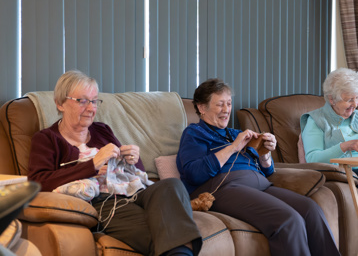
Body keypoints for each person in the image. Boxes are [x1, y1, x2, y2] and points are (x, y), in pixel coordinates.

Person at [27, 70, 202, 256]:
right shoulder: (46, 139)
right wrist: (92, 164)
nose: (91, 108)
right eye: (82, 101)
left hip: (136, 192)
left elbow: (134, 171)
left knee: (171, 185)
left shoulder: (102, 130)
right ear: (60, 103)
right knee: (163, 233)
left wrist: (134, 159)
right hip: (105, 202)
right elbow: (38, 182)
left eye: (94, 101)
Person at [176, 78, 340, 256]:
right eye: (220, 104)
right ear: (201, 108)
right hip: (223, 189)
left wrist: (265, 153)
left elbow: (268, 172)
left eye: (229, 103)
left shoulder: (235, 134)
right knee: (287, 220)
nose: (226, 110)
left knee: (311, 209)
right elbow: (193, 174)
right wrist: (233, 148)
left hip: (259, 184)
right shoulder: (194, 133)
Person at [301, 67, 358, 174]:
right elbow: (313, 159)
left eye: (357, 98)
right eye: (349, 100)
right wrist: (346, 146)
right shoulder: (316, 120)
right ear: (332, 99)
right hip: (345, 173)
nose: (355, 104)